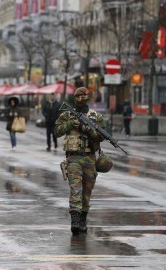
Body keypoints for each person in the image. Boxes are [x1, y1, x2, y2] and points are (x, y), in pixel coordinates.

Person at [55, 87, 106, 235]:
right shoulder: (67, 115)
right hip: (73, 157)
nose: (81, 100)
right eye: (79, 98)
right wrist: (71, 124)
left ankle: (83, 218)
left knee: (87, 191)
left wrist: (88, 129)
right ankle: (75, 221)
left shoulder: (96, 117)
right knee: (75, 189)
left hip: (90, 158)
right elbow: (57, 131)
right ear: (75, 98)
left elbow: (101, 136)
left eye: (84, 98)